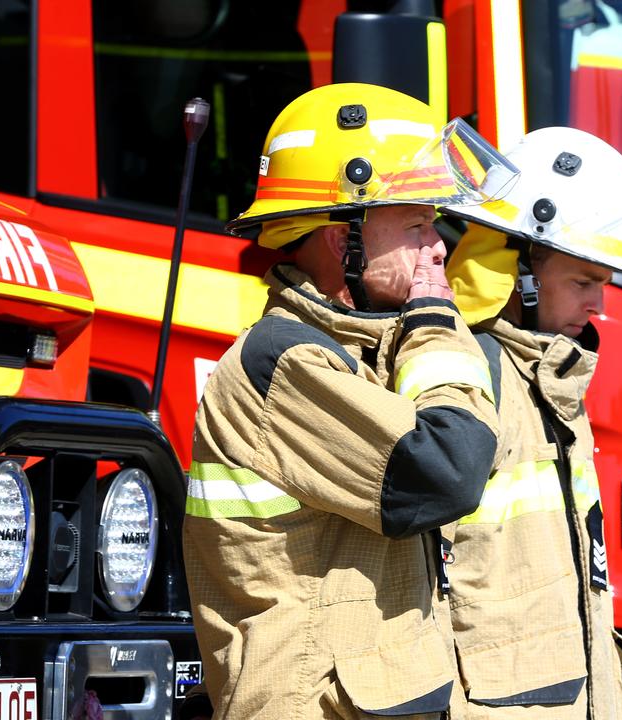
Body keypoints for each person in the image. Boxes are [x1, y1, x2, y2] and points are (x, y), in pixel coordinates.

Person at [182, 82, 519, 719]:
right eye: (418, 224)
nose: (438, 246)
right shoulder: (287, 363)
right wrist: (436, 322)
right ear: (344, 240)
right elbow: (450, 467)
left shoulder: (353, 353)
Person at [441, 127, 622, 718]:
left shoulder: (554, 381)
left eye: (603, 285)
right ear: (516, 274)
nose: (600, 307)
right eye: (584, 282)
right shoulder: (464, 376)